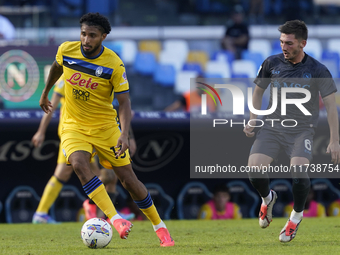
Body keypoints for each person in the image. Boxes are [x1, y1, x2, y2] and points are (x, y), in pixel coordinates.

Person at [39, 13, 174, 247]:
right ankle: (116, 219)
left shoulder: (113, 64)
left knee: (128, 179)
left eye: (92, 35)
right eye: (83, 34)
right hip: (73, 125)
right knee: (79, 165)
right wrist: (45, 93)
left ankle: (160, 228)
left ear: (103, 36)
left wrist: (124, 133)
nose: (86, 40)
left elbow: (124, 103)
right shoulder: (66, 50)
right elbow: (56, 67)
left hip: (105, 127)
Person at [243, 20, 340, 242]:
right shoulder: (271, 63)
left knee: (298, 171)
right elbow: (257, 92)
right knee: (254, 170)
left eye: (288, 43)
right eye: (281, 42)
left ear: (302, 43)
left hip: (302, 130)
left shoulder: (318, 70)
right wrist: (253, 119)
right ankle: (268, 199)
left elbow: (332, 107)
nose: (283, 47)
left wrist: (335, 140)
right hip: (272, 127)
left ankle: (295, 217)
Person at [31, 76, 123, 223]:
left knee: (100, 175)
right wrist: (41, 131)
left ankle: (103, 212)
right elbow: (51, 105)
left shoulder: (89, 74)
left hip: (89, 130)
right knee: (81, 172)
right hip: (74, 133)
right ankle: (95, 208)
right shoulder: (68, 75)